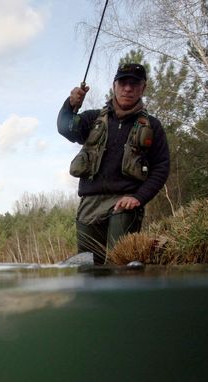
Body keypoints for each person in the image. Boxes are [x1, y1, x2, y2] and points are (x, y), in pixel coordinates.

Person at [57, 63, 170, 265]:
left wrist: (139, 197)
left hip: (124, 204)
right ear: (114, 85)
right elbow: (65, 127)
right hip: (90, 204)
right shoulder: (92, 119)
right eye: (123, 82)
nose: (128, 88)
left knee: (121, 264)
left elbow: (161, 167)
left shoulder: (152, 126)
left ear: (143, 88)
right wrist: (70, 104)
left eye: (134, 84)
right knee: (88, 267)